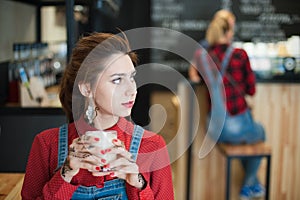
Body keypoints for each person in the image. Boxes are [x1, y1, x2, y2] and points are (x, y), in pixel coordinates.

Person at [21, 32, 174, 200]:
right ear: (87, 88)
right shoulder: (47, 144)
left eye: (132, 78)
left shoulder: (152, 146)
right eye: (117, 80)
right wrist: (65, 174)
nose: (132, 90)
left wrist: (137, 182)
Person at [189, 10, 266, 200]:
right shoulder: (240, 55)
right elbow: (251, 91)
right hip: (237, 124)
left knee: (241, 143)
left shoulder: (202, 55)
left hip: (214, 129)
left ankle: (251, 185)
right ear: (229, 32)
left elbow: (193, 76)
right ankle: (249, 183)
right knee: (261, 133)